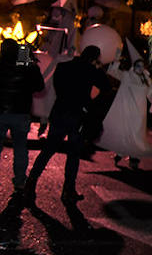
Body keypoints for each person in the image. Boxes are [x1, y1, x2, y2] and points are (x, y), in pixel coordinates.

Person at [26, 45, 109, 203]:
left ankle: (31, 182)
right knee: (73, 154)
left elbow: (57, 88)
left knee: (48, 150)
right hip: (78, 115)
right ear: (95, 58)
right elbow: (106, 87)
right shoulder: (92, 71)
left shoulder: (63, 66)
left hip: (60, 112)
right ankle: (68, 190)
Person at [0, 38, 44, 201]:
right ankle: (19, 183)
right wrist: (27, 60)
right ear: (18, 52)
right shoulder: (27, 68)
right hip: (20, 113)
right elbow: (39, 86)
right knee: (20, 148)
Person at [98, 41, 152, 169]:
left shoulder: (146, 80)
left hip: (139, 114)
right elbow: (113, 72)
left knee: (137, 135)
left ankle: (134, 158)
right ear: (134, 65)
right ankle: (121, 153)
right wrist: (116, 59)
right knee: (126, 132)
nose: (140, 68)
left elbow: (150, 94)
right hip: (127, 111)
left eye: (141, 66)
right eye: (138, 65)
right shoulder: (127, 76)